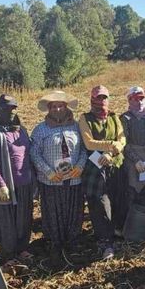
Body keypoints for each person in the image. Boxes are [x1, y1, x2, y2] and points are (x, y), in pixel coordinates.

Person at [30, 91, 87, 268]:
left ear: (66, 107)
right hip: (51, 181)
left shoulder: (76, 127)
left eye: (60, 105)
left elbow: (85, 149)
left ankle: (73, 242)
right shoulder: (41, 129)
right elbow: (34, 153)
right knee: (53, 212)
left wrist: (80, 166)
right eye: (54, 106)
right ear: (49, 109)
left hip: (73, 178)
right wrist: (48, 172)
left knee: (73, 211)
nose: (57, 109)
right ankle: (54, 243)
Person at [78, 85, 126, 260]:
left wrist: (111, 151)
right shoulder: (85, 118)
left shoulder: (114, 117)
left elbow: (122, 138)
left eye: (104, 97)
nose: (102, 101)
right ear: (92, 99)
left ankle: (115, 233)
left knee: (117, 199)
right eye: (98, 98)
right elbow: (89, 143)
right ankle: (105, 242)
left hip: (114, 164)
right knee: (100, 204)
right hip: (95, 167)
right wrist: (110, 146)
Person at [0, 94, 34, 266]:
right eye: (6, 108)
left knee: (24, 218)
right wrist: (0, 184)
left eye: (14, 108)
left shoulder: (22, 131)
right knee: (6, 221)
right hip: (5, 186)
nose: (11, 111)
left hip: (25, 184)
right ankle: (8, 255)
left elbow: (29, 156)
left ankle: (22, 249)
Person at [120, 86, 145, 214]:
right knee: (132, 191)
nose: (139, 101)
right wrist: (136, 161)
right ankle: (131, 225)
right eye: (135, 99)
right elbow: (124, 144)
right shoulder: (125, 119)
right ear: (129, 100)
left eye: (142, 98)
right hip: (132, 161)